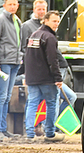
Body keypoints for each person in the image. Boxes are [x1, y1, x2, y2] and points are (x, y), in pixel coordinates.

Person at [20, 0, 77, 119]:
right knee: (39, 100)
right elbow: (26, 51)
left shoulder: (50, 28)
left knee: (70, 97)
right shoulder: (28, 26)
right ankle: (39, 127)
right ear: (34, 10)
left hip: (58, 67)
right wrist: (27, 72)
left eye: (43, 9)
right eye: (38, 9)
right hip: (44, 72)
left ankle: (53, 125)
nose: (41, 11)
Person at [23, 10, 64, 142]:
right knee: (52, 104)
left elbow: (27, 57)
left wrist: (27, 76)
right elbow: (53, 60)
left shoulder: (34, 35)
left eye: (58, 21)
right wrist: (58, 78)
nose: (56, 24)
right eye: (54, 21)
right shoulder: (49, 37)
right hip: (46, 79)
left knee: (32, 103)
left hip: (33, 78)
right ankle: (50, 133)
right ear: (45, 21)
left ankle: (29, 133)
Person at [0, 0, 23, 141]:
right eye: (10, 5)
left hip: (14, 62)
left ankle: (3, 129)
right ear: (4, 6)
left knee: (7, 97)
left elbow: (19, 41)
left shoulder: (17, 21)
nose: (13, 7)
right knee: (1, 96)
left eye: (15, 5)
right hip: (4, 63)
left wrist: (20, 57)